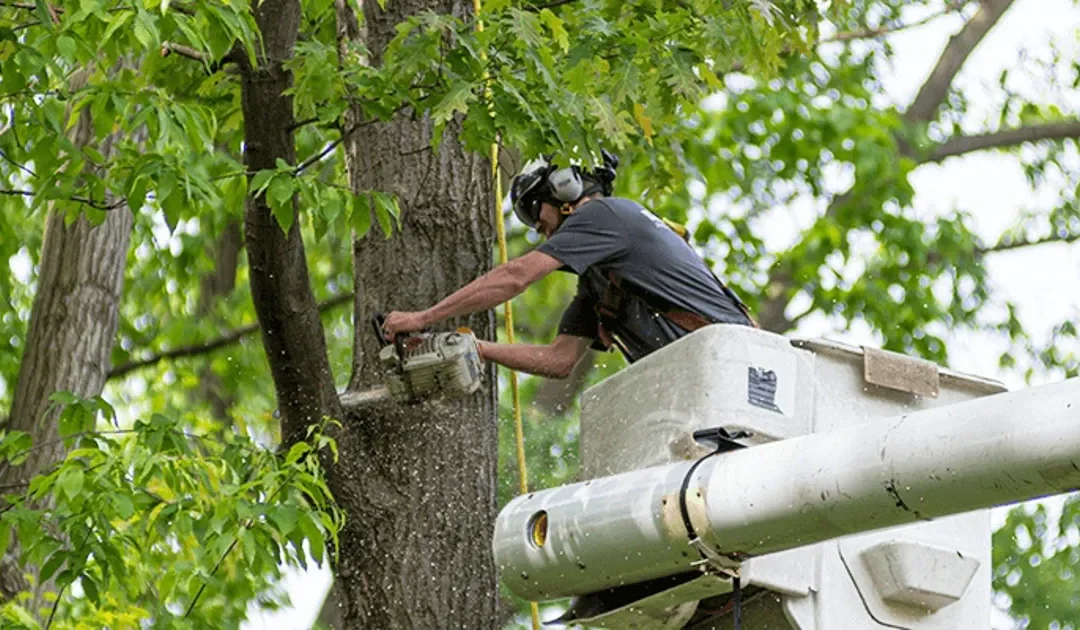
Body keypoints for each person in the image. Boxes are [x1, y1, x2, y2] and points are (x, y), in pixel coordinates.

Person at [382, 151, 755, 378]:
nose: (540, 230)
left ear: (563, 189)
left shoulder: (607, 214)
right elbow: (558, 360)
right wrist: (471, 347)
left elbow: (516, 276)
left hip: (737, 363)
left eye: (535, 212)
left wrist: (422, 318)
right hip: (703, 372)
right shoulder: (601, 285)